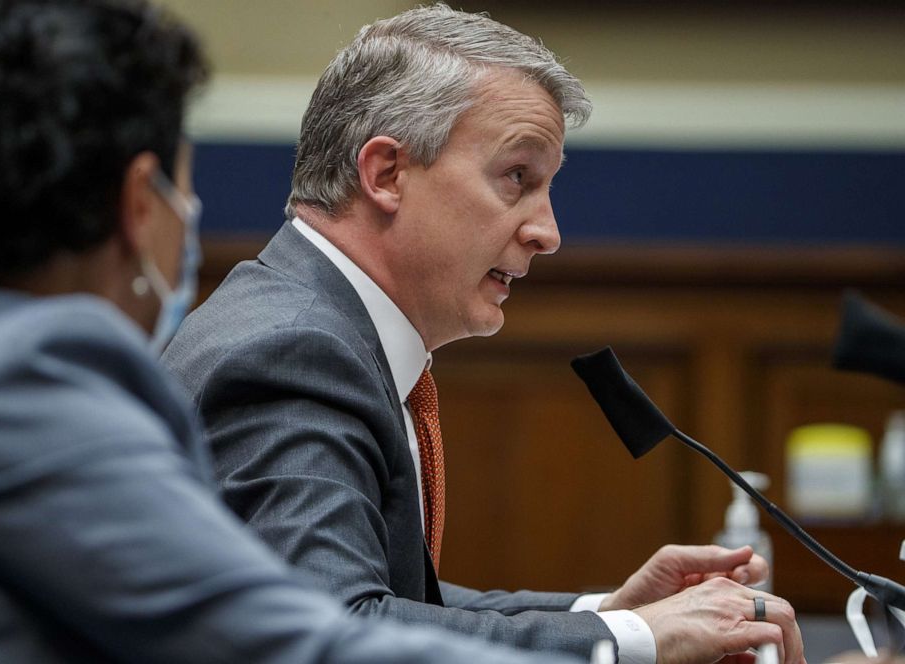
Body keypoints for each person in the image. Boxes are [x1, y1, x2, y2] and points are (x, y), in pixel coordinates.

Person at [0, 1, 593, 663]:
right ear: (139, 200)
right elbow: (298, 637)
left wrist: (609, 620)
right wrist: (616, 651)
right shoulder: (27, 384)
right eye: (185, 179)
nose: (549, 233)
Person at [162, 5, 806, 664]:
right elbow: (338, 629)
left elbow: (389, 597)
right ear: (385, 173)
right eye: (517, 178)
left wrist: (609, 614)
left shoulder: (313, 321)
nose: (547, 233)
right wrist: (635, 641)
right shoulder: (293, 351)